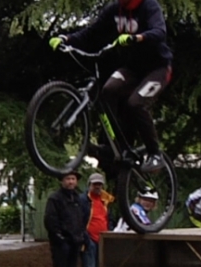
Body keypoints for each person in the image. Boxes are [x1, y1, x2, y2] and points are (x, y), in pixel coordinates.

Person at [49, 0, 173, 173]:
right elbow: (91, 32)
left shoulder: (149, 5)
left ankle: (155, 153)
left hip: (157, 69)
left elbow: (160, 32)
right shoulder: (115, 9)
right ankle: (116, 146)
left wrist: (136, 37)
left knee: (136, 103)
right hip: (133, 68)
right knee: (107, 91)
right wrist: (66, 39)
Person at [43, 171, 88, 267]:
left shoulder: (77, 198)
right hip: (61, 243)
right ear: (62, 181)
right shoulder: (55, 198)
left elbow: (81, 218)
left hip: (75, 242)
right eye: (68, 179)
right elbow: (50, 220)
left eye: (73, 179)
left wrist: (81, 236)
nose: (70, 182)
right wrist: (59, 238)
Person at [80, 173, 113, 267]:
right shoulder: (83, 200)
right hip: (89, 240)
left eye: (100, 184)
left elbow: (109, 218)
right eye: (95, 184)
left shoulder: (105, 200)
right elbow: (79, 220)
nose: (97, 187)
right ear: (89, 185)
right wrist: (85, 237)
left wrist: (110, 231)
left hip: (103, 239)